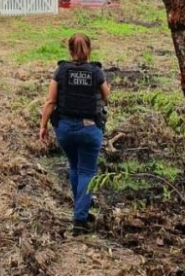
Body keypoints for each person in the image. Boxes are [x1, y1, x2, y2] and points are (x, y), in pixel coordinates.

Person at [39, 33, 110, 236]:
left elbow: (50, 101)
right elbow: (106, 97)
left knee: (74, 167)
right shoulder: (96, 71)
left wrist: (43, 126)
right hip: (90, 129)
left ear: (70, 50)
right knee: (87, 171)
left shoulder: (61, 70)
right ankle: (80, 218)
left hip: (65, 129)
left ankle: (81, 209)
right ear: (89, 49)